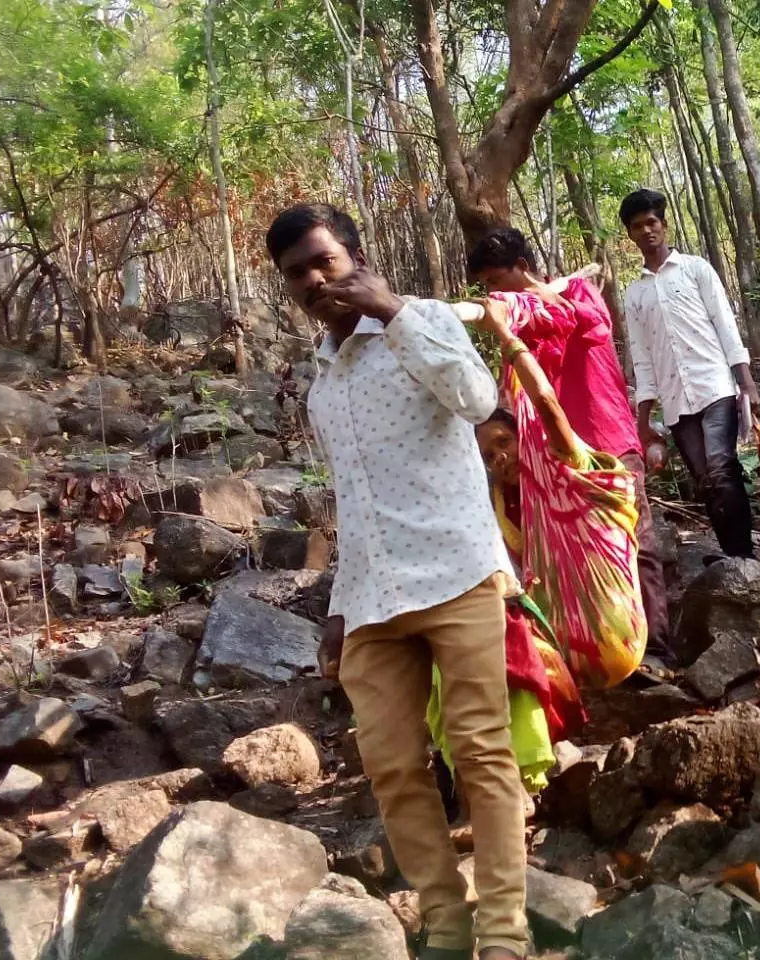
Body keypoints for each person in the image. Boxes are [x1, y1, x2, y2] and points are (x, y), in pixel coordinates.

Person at [267, 203, 527, 960]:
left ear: (356, 257)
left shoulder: (427, 320)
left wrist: (395, 311)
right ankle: (445, 928)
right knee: (389, 764)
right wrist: (338, 606)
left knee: (481, 751)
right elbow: (353, 498)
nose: (315, 280)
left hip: (457, 571)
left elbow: (480, 403)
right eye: (298, 274)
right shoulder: (322, 383)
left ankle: (504, 934)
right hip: (374, 597)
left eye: (326, 263)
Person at [466, 227, 672, 665]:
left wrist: (518, 306)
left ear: (522, 269)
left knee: (636, 541)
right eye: (486, 287)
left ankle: (652, 646)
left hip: (605, 439)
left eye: (494, 281)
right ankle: (593, 651)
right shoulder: (516, 324)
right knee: (569, 551)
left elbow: (583, 322)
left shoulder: (576, 293)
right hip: (553, 457)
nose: (492, 293)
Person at [619, 188, 760, 559]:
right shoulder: (634, 294)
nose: (647, 231)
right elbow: (642, 357)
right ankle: (733, 559)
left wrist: (746, 382)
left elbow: (725, 325)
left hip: (715, 386)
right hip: (676, 401)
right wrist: (644, 418)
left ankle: (746, 559)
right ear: (631, 235)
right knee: (706, 481)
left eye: (652, 222)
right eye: (638, 226)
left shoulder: (696, 269)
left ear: (664, 225)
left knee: (722, 467)